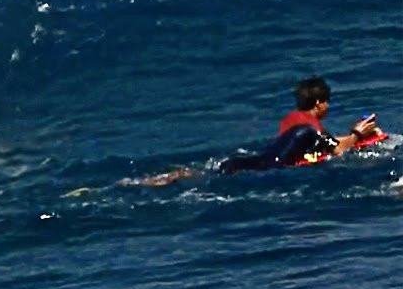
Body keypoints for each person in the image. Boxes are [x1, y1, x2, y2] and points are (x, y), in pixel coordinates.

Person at [113, 76, 379, 189]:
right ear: (320, 104)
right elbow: (336, 148)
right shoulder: (310, 128)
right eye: (327, 102)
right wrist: (357, 134)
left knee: (201, 175)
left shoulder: (291, 120)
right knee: (208, 181)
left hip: (247, 160)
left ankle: (149, 180)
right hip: (264, 170)